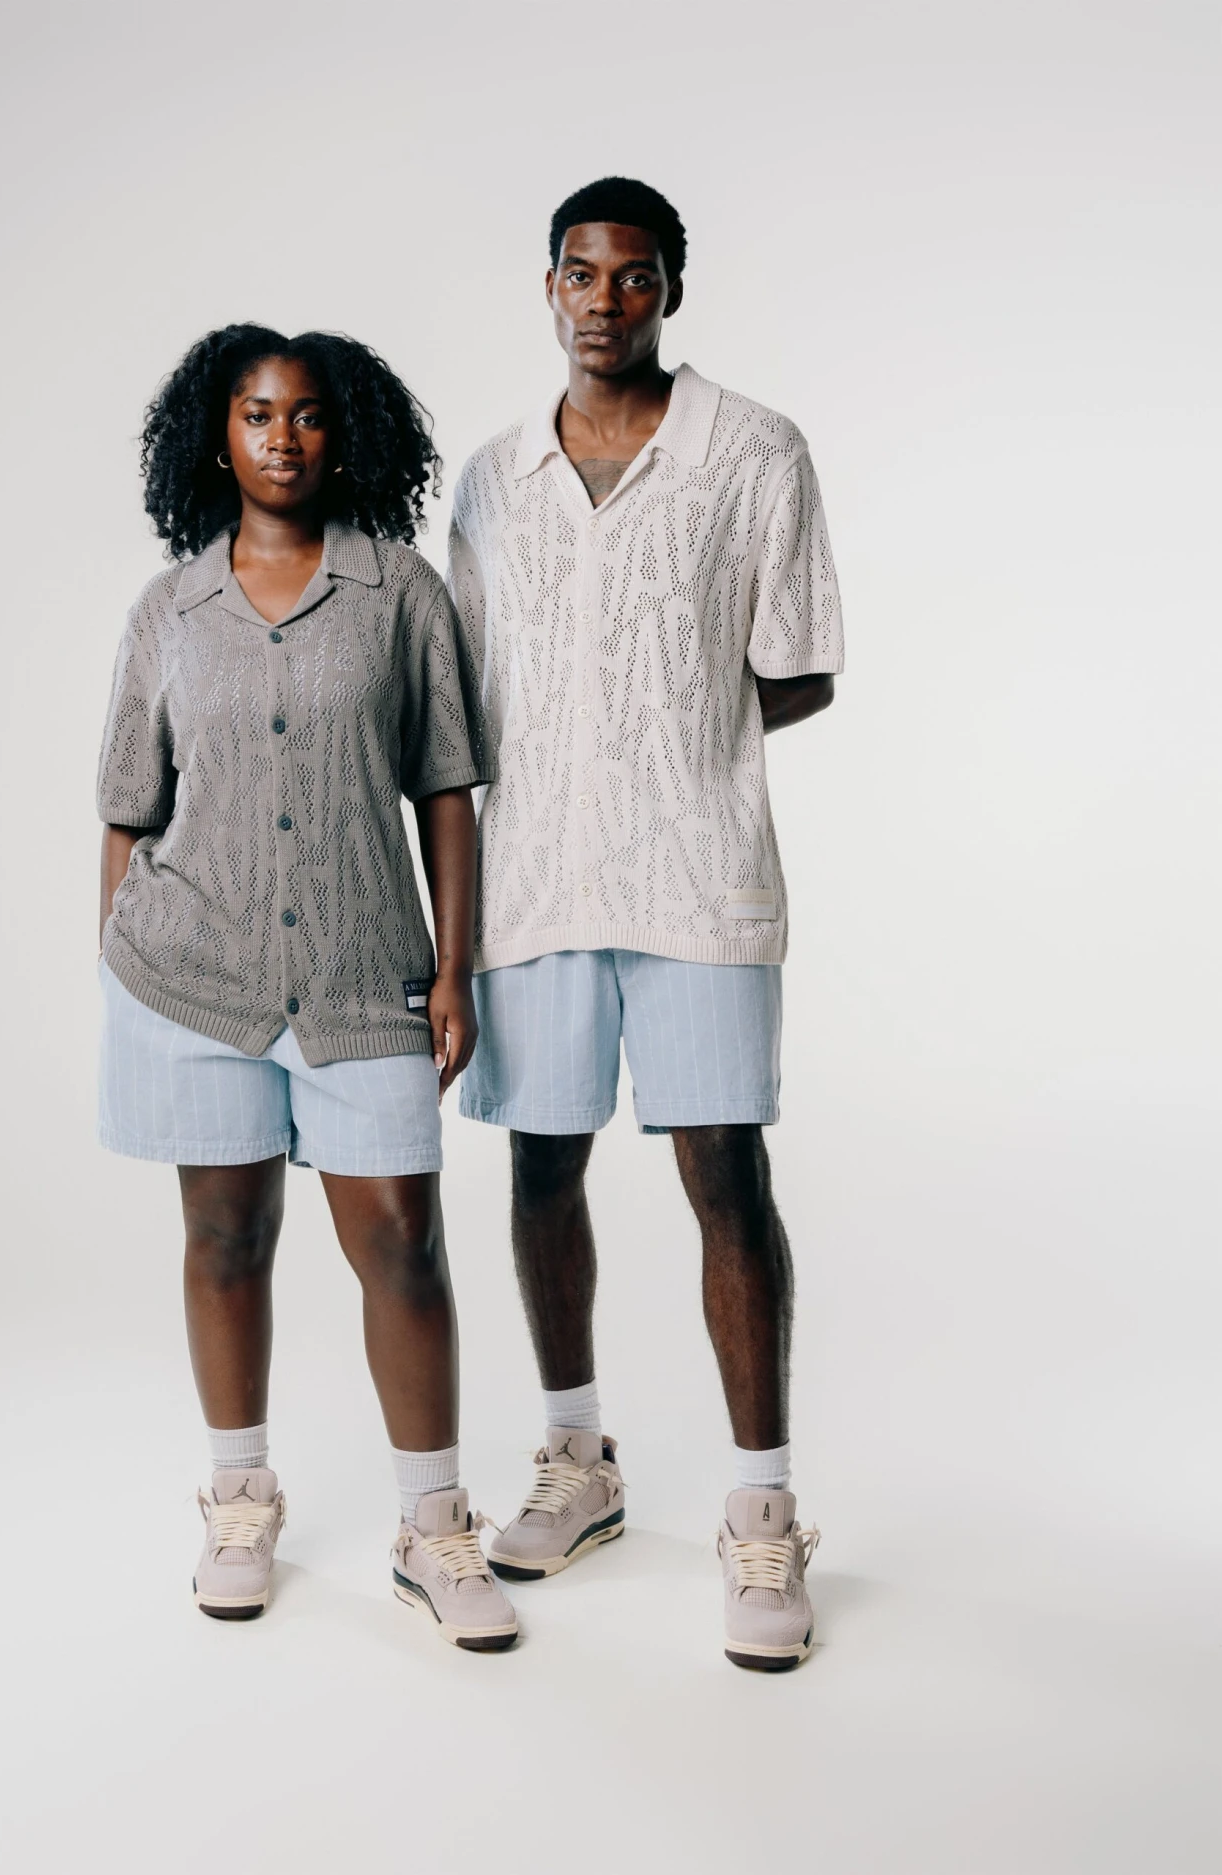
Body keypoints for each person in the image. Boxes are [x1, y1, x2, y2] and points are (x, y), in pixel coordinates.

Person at [448, 179, 843, 1670]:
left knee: (725, 1172)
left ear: (671, 288)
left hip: (697, 874)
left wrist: (671, 733)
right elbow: (468, 692)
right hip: (535, 877)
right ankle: (578, 1462)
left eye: (633, 276)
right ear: (547, 286)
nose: (603, 301)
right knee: (540, 1163)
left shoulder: (755, 452)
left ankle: (762, 1508)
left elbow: (801, 663)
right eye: (580, 273)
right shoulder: (492, 481)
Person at [96, 324, 517, 1651]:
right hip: (194, 982)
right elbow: (127, 803)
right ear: (215, 436)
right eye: (257, 413)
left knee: (402, 1240)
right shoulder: (169, 610)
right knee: (225, 1236)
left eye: (309, 415)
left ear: (348, 435)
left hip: (361, 974)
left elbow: (445, 790)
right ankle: (239, 1500)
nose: (283, 438)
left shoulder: (400, 593)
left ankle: (435, 1524)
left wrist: (455, 967)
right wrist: (120, 949)